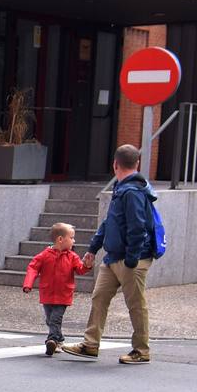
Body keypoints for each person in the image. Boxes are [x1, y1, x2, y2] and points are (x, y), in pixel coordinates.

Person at [60, 145, 157, 365]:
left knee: (136, 304)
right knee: (100, 297)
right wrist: (94, 248)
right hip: (114, 257)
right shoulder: (123, 188)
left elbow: (137, 227)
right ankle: (90, 344)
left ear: (115, 164)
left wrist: (131, 259)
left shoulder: (132, 191)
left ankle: (141, 350)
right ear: (137, 164)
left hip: (131, 259)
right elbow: (110, 222)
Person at [22, 222, 88, 355]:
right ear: (60, 239)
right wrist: (28, 284)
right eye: (72, 238)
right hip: (47, 294)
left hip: (63, 294)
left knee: (55, 319)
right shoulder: (45, 255)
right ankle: (60, 339)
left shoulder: (72, 256)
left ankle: (51, 340)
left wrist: (87, 265)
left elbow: (80, 269)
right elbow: (33, 268)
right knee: (50, 319)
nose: (74, 241)